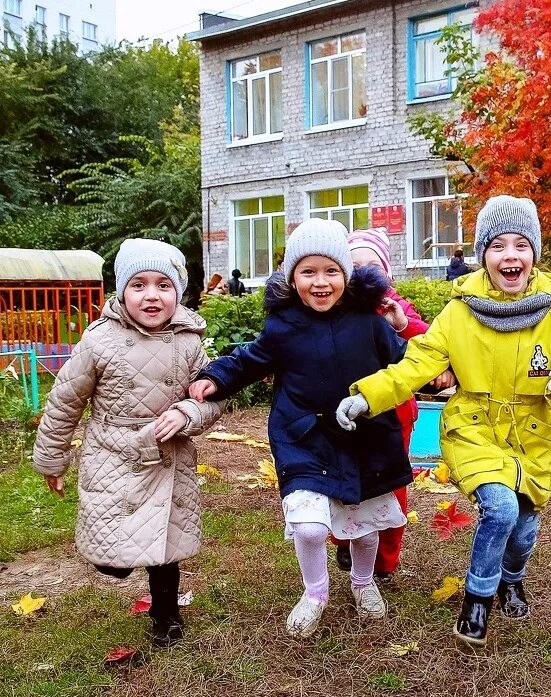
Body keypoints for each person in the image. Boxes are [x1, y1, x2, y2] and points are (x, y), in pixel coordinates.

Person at [336, 195, 551, 647]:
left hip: (534, 439)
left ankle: (511, 577)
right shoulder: (458, 313)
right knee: (501, 509)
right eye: (497, 246)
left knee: (523, 530)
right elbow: (414, 366)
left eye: (520, 245)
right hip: (473, 430)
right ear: (482, 255)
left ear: (533, 253)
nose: (509, 256)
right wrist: (367, 396)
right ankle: (477, 600)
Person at [189, 219, 412, 638]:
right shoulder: (283, 325)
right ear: (292, 278)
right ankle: (315, 593)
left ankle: (363, 584)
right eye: (308, 272)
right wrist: (216, 376)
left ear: (346, 276)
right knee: (310, 526)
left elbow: (406, 360)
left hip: (365, 436)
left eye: (331, 271)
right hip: (305, 437)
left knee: (365, 527)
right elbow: (248, 360)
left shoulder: (368, 321)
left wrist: (441, 372)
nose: (321, 282)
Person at [33, 239, 222, 647]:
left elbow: (213, 398)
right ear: (121, 291)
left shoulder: (189, 341)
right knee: (113, 554)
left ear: (178, 291)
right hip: (113, 454)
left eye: (163, 285)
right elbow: (66, 399)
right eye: (138, 284)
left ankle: (166, 616)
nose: (151, 295)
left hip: (168, 454)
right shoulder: (100, 340)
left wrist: (188, 413)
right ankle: (116, 565)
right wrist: (53, 458)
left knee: (165, 548)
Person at [331, 227, 453, 581]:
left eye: (374, 266)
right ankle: (344, 539)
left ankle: (384, 562)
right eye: (355, 266)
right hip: (347, 415)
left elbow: (432, 343)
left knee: (391, 488)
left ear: (387, 273)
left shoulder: (397, 307)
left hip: (394, 415)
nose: (365, 273)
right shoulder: (336, 309)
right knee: (345, 481)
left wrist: (401, 325)